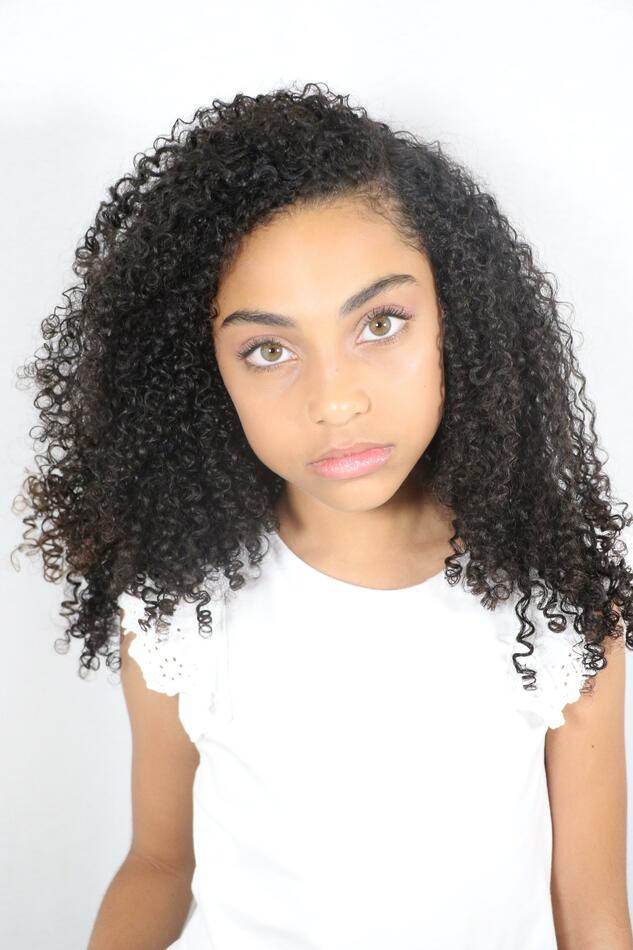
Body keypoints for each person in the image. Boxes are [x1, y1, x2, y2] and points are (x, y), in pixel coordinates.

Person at [13, 82, 632, 949]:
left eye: (379, 324)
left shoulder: (555, 608)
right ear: (202, 375)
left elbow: (592, 910)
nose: (334, 401)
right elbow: (158, 862)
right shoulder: (183, 609)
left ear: (458, 319)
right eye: (268, 349)